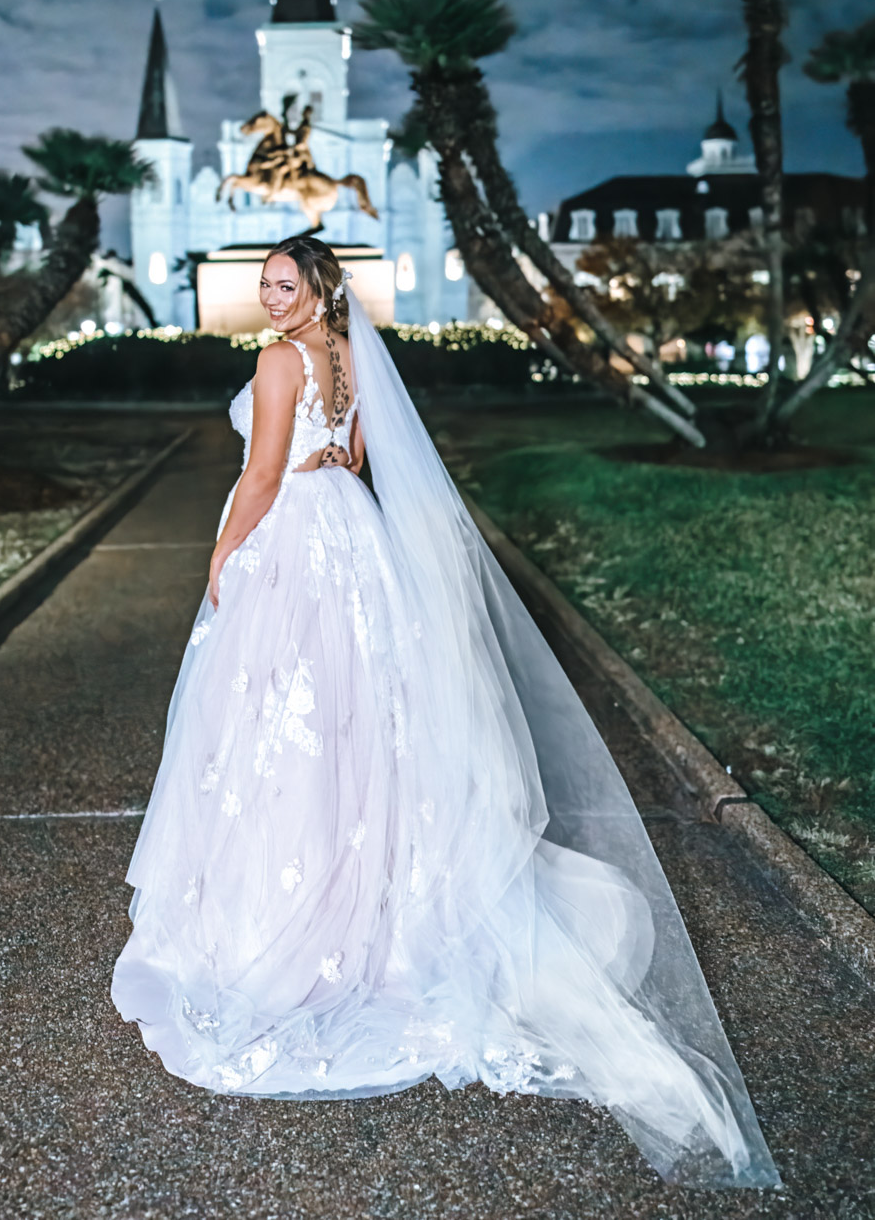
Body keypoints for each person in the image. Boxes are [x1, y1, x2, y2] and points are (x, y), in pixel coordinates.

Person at [111, 235, 779, 1190]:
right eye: (262, 283)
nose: (267, 296)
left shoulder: (275, 359)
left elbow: (261, 478)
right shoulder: (344, 359)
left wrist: (222, 559)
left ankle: (292, 915)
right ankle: (366, 901)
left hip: (296, 547)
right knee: (355, 726)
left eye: (282, 283)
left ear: (317, 290)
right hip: (352, 538)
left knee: (278, 732)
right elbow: (354, 457)